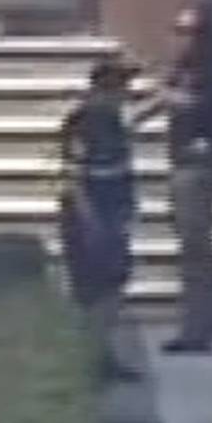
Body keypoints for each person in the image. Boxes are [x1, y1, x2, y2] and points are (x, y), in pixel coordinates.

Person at [157, 4, 212, 355]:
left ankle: (197, 326)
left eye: (191, 32)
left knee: (194, 247)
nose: (183, 39)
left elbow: (194, 106)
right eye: (179, 31)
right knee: (193, 241)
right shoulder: (183, 69)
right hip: (181, 163)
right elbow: (167, 99)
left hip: (201, 166)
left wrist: (165, 96)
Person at [58, 57, 139, 382]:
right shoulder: (86, 120)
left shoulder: (110, 118)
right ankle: (92, 358)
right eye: (121, 86)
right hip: (93, 214)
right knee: (96, 289)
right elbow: (73, 175)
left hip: (112, 210)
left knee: (112, 286)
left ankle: (102, 355)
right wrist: (90, 220)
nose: (126, 93)